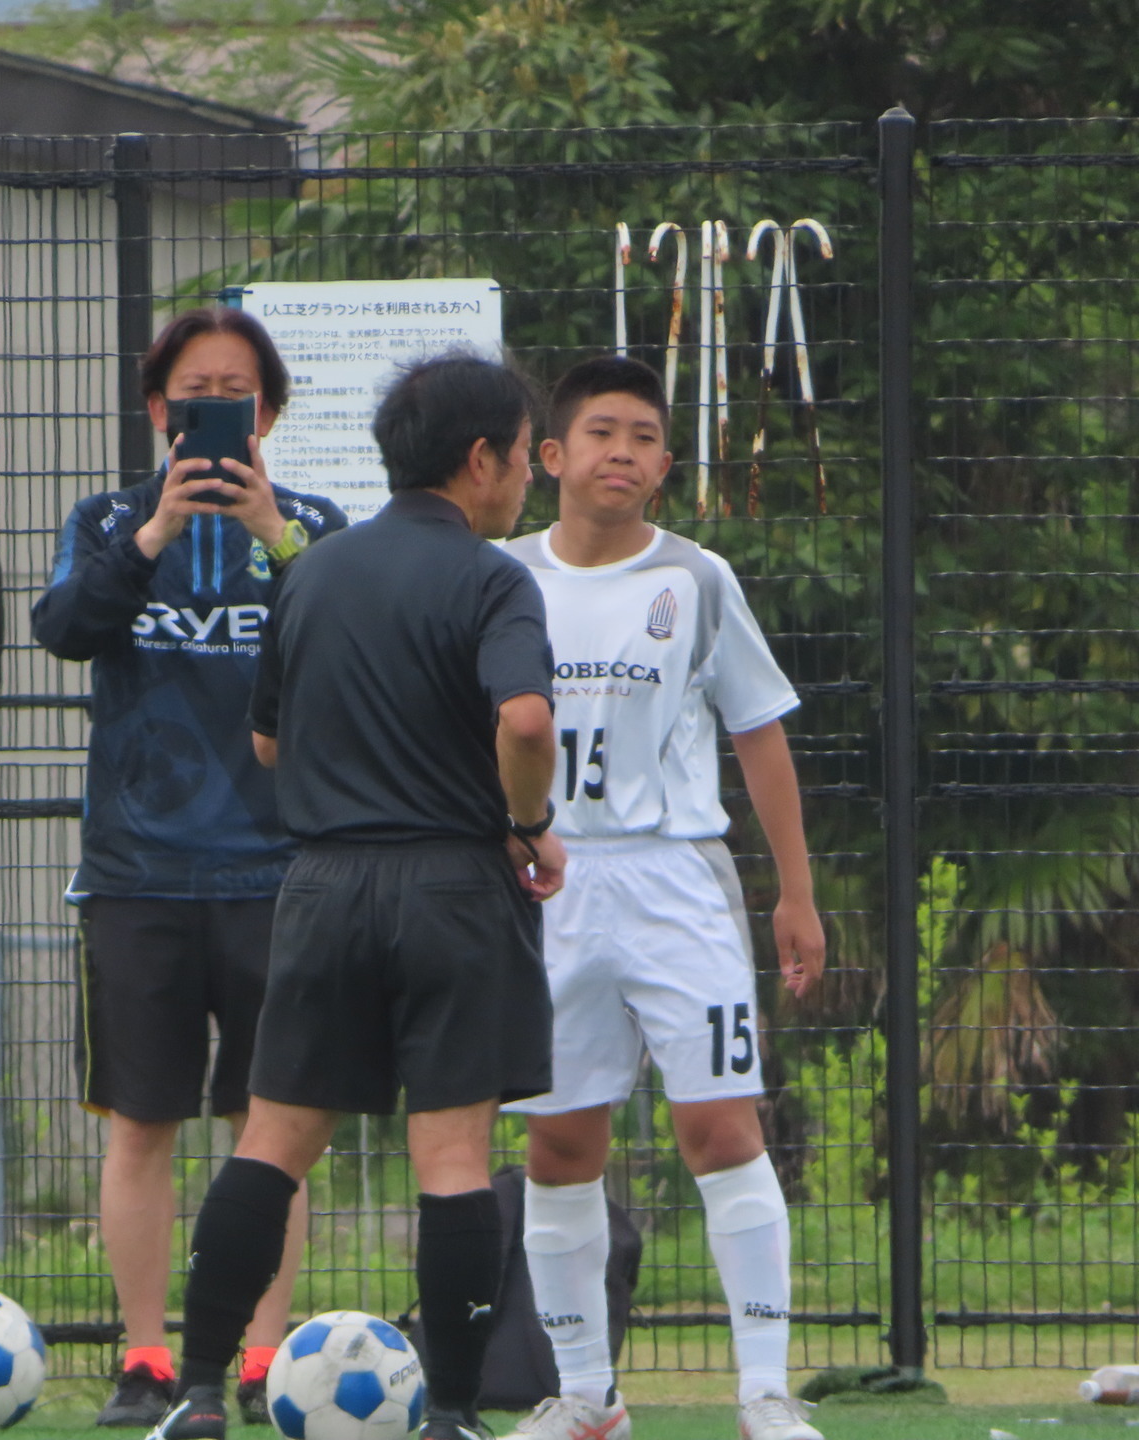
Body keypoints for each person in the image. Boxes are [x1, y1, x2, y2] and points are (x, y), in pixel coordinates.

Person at [146, 352, 564, 1440]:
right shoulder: (494, 579)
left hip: (322, 887)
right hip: (454, 885)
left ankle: (195, 1392)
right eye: (523, 459)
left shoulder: (315, 571)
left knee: (271, 1142)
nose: (526, 482)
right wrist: (527, 823)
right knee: (454, 1159)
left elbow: (268, 740)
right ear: (481, 462)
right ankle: (457, 1414)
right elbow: (525, 723)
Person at [495, 355, 826, 1440]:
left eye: (643, 437)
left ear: (665, 463)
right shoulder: (501, 579)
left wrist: (795, 892)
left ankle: (765, 1393)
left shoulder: (697, 579)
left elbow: (758, 733)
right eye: (600, 433)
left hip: (677, 879)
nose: (621, 454)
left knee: (723, 1128)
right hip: (546, 883)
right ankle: (586, 1396)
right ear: (552, 455)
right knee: (560, 1144)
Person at [32, 307, 347, 1426]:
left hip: (281, 875)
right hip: (138, 874)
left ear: (267, 413)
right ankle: (147, 1357)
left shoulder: (313, 524)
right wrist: (155, 532)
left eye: (239, 392)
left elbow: (349, 636)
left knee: (275, 1127)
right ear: (158, 408)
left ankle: (268, 1358)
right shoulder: (109, 518)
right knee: (140, 1123)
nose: (215, 408)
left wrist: (274, 532)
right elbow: (64, 626)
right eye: (192, 391)